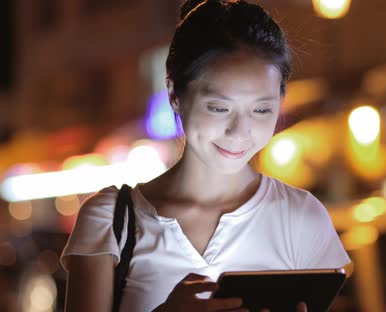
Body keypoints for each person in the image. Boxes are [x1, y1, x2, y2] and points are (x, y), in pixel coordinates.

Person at [60, 0, 351, 311]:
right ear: (174, 93)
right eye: (219, 108)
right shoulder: (109, 221)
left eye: (262, 110)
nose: (240, 131)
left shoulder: (301, 217)